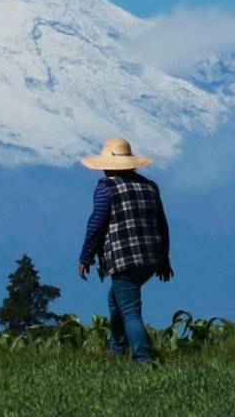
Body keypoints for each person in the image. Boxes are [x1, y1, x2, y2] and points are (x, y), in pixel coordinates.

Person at [77, 137, 174, 364]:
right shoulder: (150, 186)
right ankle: (117, 347)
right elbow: (162, 223)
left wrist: (86, 256)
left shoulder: (107, 188)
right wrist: (164, 259)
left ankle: (143, 358)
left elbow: (96, 223)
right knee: (116, 299)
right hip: (151, 257)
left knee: (130, 310)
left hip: (124, 258)